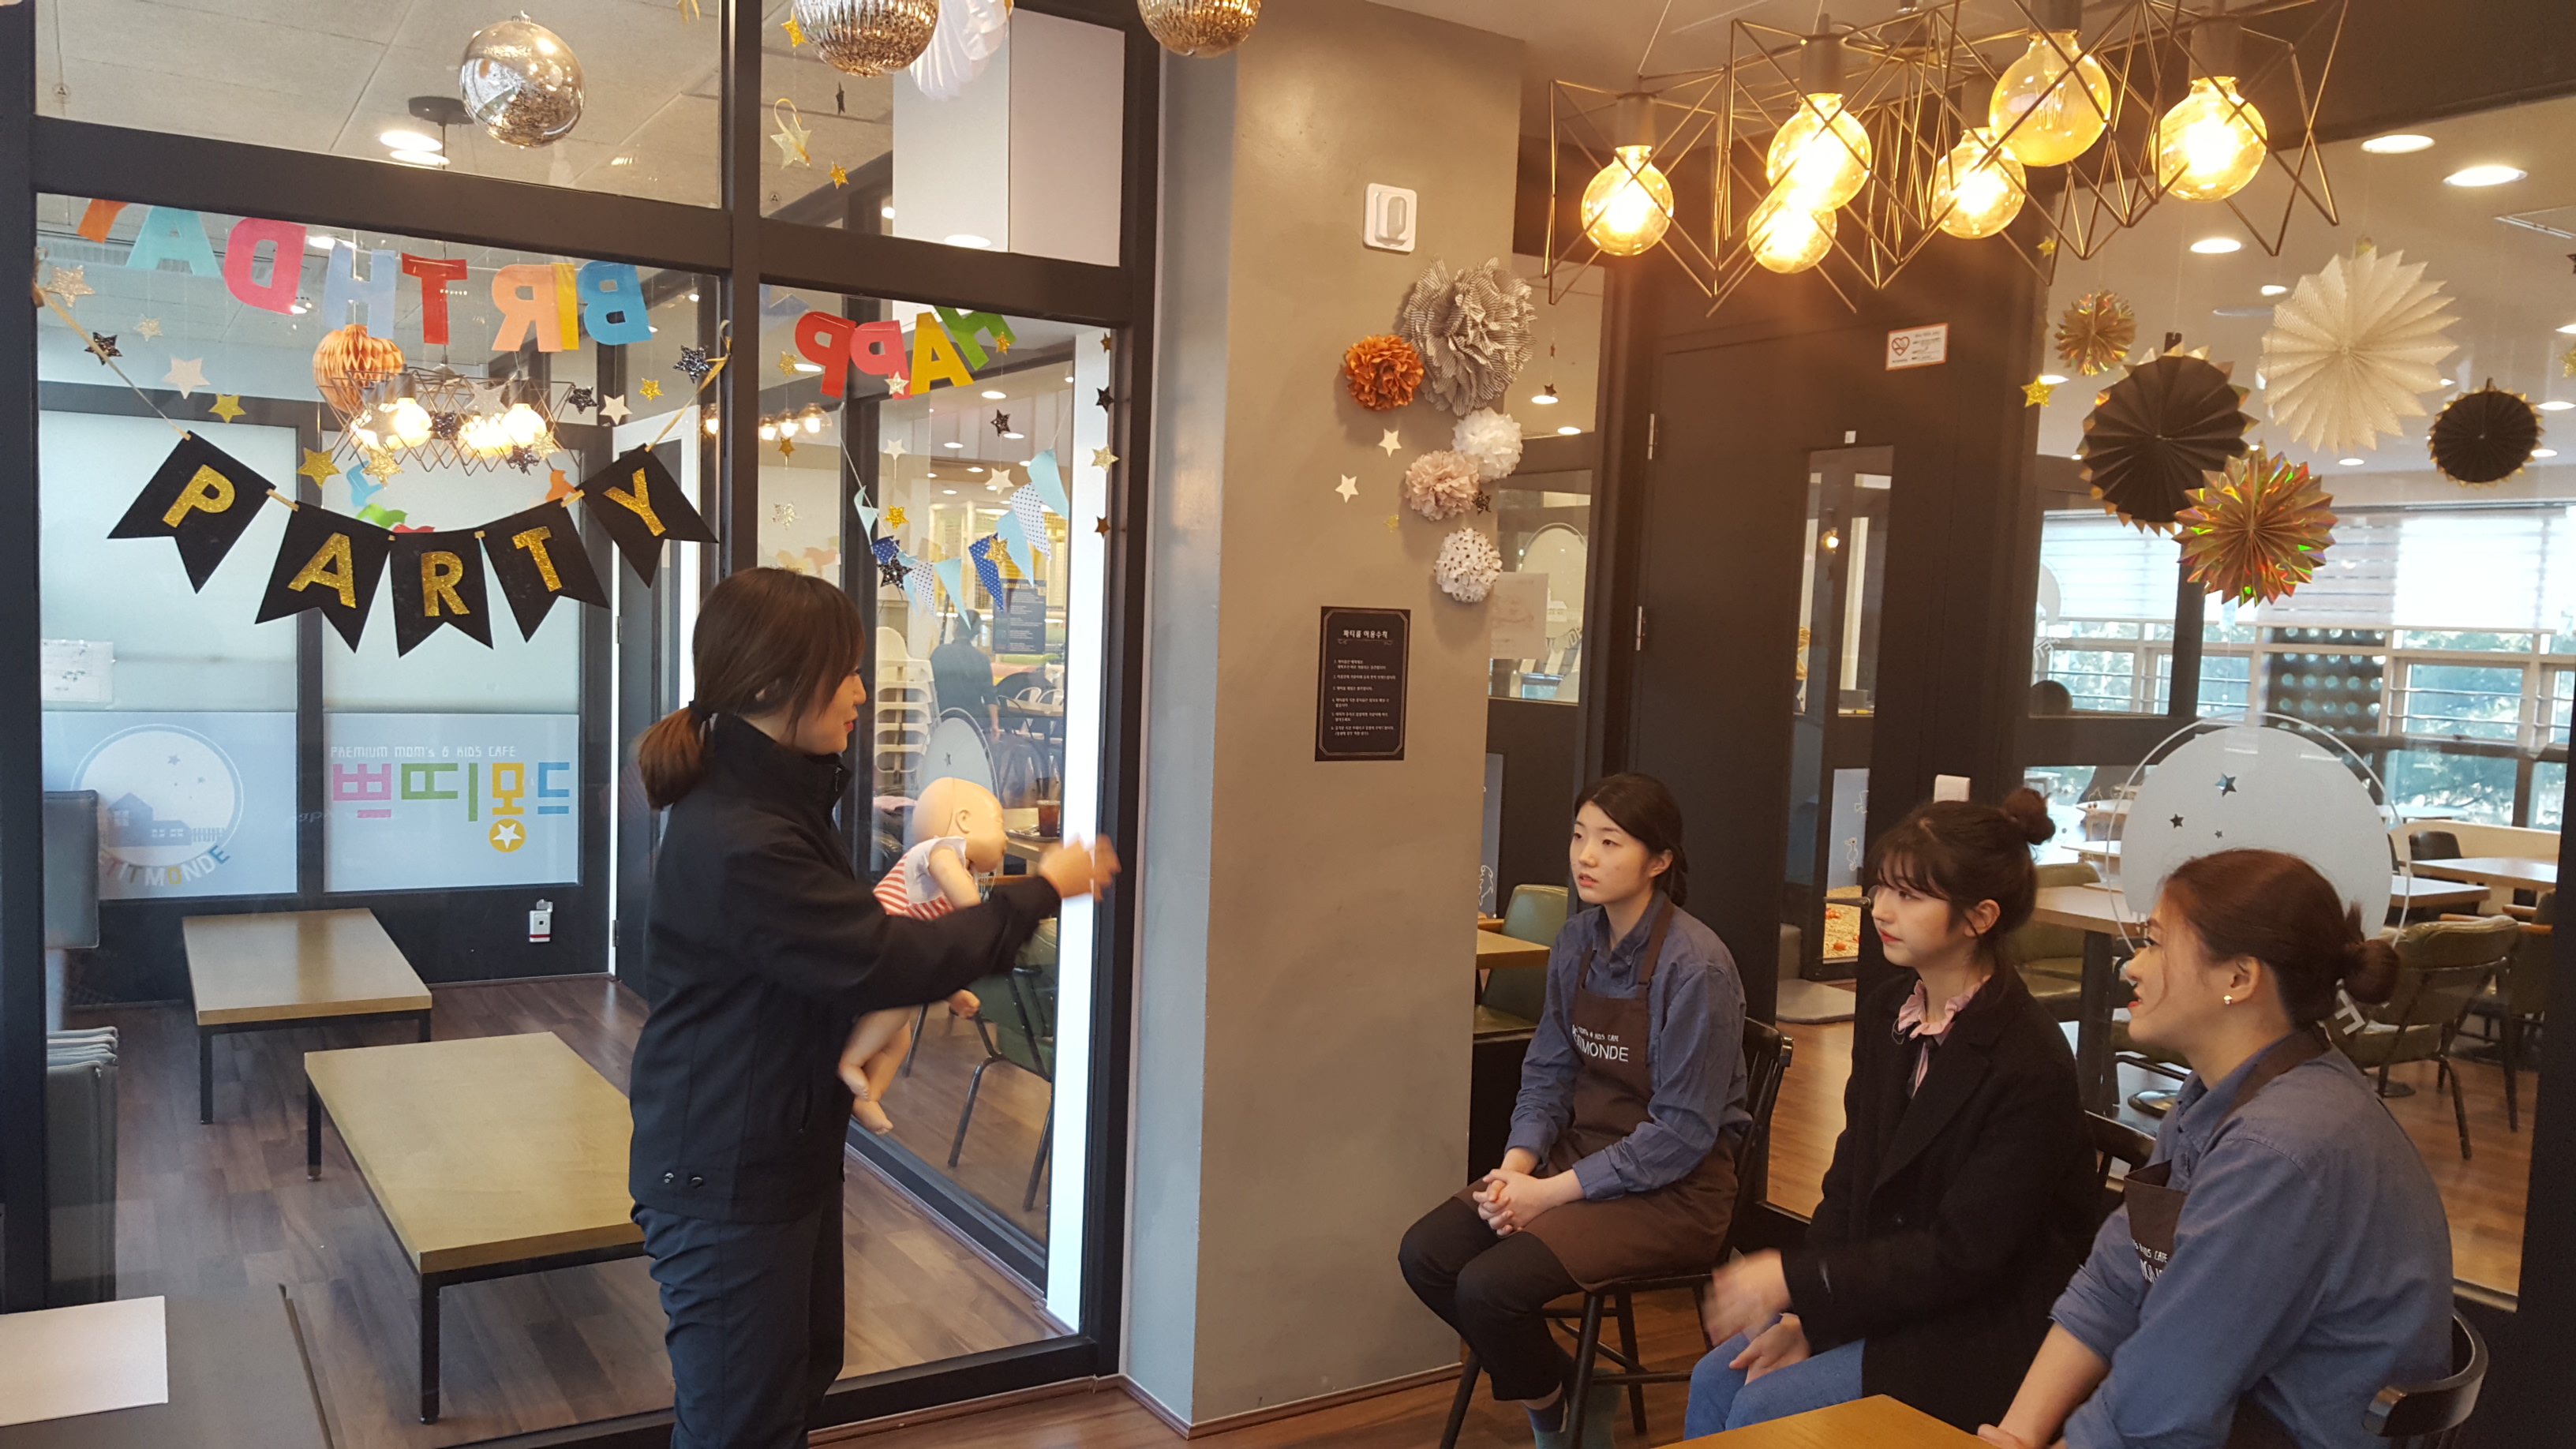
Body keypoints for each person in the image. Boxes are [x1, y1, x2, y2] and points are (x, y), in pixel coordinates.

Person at [627, 568, 1118, 1449]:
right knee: (740, 1423)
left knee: (795, 1383)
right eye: (844, 672)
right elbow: (880, 956)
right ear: (774, 685)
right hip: (726, 1172)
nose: (862, 691)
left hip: (775, 1149)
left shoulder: (775, 798)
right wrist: (1041, 889)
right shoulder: (744, 836)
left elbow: (836, 956)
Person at [1980, 849, 2452, 1449]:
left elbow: (2159, 1409)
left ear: (2238, 979)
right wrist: (2014, 1436)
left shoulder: (2278, 1150)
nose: (2133, 967)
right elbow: (2117, 1281)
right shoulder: (2220, 1093)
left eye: (2155, 944)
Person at [1689, 789, 2096, 1436]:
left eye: (1909, 896)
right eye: (1881, 887)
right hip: (1891, 1295)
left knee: (1765, 1405)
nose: (1881, 908)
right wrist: (1805, 1309)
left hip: (1977, 1324)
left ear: (1979, 916)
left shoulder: (2031, 1061)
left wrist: (1801, 1280)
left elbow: (1964, 1256)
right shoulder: (1889, 1008)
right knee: (1717, 1377)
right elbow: (1851, 1176)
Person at [1399, 773, 1747, 1449]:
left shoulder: (1696, 968)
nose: (1586, 856)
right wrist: (1515, 1170)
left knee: (1489, 1288)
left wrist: (1547, 1194)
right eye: (1580, 836)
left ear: (1660, 859)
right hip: (1579, 1158)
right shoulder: (1576, 942)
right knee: (1429, 1254)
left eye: (1610, 842)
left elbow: (1681, 1134)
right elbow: (1549, 1071)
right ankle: (1570, 1394)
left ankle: (1556, 1425)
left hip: (1676, 1192)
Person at [837, 776, 1001, 1135]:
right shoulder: (941, 850)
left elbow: (931, 956)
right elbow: (966, 905)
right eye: (999, 825)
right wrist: (981, 916)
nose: (1005, 839)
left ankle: (867, 1097)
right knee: (899, 1005)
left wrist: (953, 992)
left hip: (897, 954)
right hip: (879, 944)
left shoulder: (959, 868)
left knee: (897, 1042)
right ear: (964, 821)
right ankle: (850, 1062)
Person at [928, 605, 999, 734]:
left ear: (956, 627)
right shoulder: (982, 659)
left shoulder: (940, 653)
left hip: (943, 719)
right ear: (976, 633)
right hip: (973, 723)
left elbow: (930, 688)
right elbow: (990, 696)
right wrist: (995, 725)